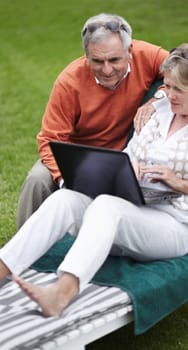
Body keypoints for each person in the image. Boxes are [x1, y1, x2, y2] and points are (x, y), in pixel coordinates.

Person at [0, 43, 188, 317]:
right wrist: (131, 166)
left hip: (174, 225)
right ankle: (3, 268)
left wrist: (180, 184)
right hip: (130, 210)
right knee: (65, 199)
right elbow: (130, 153)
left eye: (178, 89)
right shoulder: (160, 111)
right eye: (166, 86)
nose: (169, 95)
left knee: (107, 206)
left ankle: (61, 293)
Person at [16, 12, 169, 229]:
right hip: (77, 157)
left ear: (130, 51)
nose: (107, 70)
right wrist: (66, 180)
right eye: (97, 61)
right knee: (37, 179)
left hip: (126, 155)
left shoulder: (148, 55)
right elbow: (50, 139)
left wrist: (157, 98)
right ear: (86, 56)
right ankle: (21, 253)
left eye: (114, 60)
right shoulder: (69, 82)